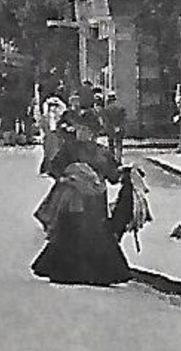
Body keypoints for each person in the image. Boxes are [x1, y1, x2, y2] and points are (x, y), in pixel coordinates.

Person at [31, 113, 132, 286]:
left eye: (85, 130)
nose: (81, 133)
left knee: (91, 234)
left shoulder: (100, 152)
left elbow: (113, 175)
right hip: (76, 201)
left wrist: (126, 175)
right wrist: (69, 178)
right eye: (79, 129)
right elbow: (54, 169)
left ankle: (91, 273)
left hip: (93, 203)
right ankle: (73, 272)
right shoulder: (70, 150)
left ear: (93, 133)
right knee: (72, 233)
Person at [100, 92, 127, 163]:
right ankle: (119, 159)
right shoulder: (121, 107)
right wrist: (120, 126)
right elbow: (123, 119)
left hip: (111, 129)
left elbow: (106, 120)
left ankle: (112, 160)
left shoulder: (106, 109)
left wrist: (111, 127)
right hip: (120, 128)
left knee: (111, 144)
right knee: (119, 143)